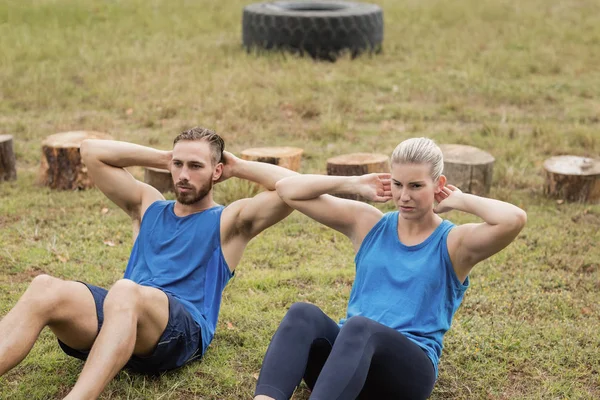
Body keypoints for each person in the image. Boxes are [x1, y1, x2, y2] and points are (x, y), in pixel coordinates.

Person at [0, 127, 297, 399]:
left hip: (181, 331)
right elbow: (91, 150)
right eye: (178, 165)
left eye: (195, 166)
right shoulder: (148, 204)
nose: (183, 175)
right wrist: (167, 156)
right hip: (122, 317)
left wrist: (239, 167)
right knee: (44, 287)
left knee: (127, 290)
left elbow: (294, 188)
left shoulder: (229, 221)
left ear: (217, 171)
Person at [254, 137, 527, 400]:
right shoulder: (369, 224)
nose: (404, 196)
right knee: (303, 314)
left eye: (416, 186)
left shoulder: (455, 243)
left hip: (406, 375)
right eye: (398, 184)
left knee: (361, 328)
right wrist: (354, 183)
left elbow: (513, 219)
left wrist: (460, 200)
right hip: (344, 366)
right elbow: (288, 190)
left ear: (438, 184)